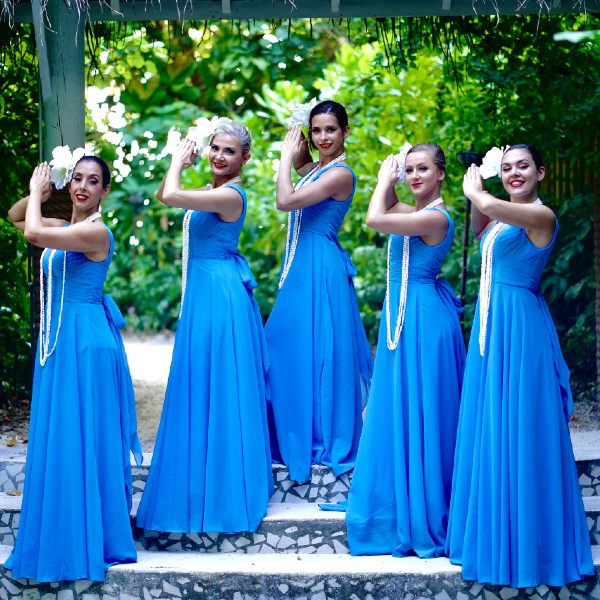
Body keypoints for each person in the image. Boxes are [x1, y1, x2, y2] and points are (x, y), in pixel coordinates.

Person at [445, 144, 594, 587]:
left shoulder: (541, 216)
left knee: (523, 428)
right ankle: (494, 533)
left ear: (541, 173)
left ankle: (531, 546)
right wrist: (479, 178)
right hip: (492, 333)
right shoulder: (500, 218)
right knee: (492, 426)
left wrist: (480, 190)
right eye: (506, 167)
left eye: (522, 166)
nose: (514, 173)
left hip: (521, 331)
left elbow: (485, 205)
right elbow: (480, 223)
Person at [5, 155, 142, 582]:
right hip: (59, 344)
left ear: (105, 191)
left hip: (86, 343)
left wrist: (35, 191)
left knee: (87, 435)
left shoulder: (96, 231)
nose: (83, 186)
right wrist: (44, 191)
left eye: (93, 181)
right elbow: (15, 217)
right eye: (77, 178)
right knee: (64, 435)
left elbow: (30, 229)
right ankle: (62, 530)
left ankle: (93, 535)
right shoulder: (64, 229)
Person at [136, 118, 272, 534]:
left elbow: (172, 193)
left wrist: (179, 158)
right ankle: (201, 476)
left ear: (244, 159)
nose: (218, 156)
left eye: (229, 151)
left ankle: (226, 487)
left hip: (219, 296)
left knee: (220, 383)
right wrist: (182, 162)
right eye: (215, 148)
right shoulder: (212, 192)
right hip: (204, 292)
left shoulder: (231, 194)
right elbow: (165, 193)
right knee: (201, 381)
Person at [342, 144, 465, 557]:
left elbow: (375, 217)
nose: (414, 176)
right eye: (409, 170)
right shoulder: (415, 215)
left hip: (424, 322)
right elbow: (391, 209)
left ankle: (426, 504)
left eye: (423, 169)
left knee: (426, 411)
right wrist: (392, 184)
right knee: (400, 408)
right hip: (403, 320)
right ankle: (400, 498)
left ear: (441, 174)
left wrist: (383, 179)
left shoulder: (434, 217)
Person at [265, 100, 373, 485]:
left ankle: (322, 437)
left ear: (345, 132)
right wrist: (296, 154)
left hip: (320, 265)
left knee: (316, 347)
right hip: (302, 264)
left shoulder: (341, 174)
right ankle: (295, 430)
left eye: (331, 129)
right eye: (317, 130)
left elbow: (286, 199)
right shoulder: (320, 170)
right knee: (289, 345)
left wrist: (281, 160)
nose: (323, 137)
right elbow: (302, 171)